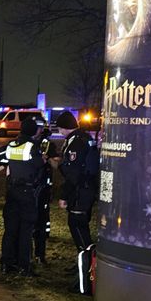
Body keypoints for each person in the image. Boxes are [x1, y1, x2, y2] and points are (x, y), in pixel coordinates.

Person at [0, 118, 45, 276]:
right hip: (27, 192)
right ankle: (24, 266)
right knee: (26, 230)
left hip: (12, 192)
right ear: (34, 131)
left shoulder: (11, 145)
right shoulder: (32, 147)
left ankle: (6, 264)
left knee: (10, 229)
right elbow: (39, 166)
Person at [56, 111, 99, 257]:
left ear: (64, 127)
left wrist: (64, 195)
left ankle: (87, 266)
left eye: (60, 128)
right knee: (82, 226)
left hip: (80, 190)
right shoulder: (85, 137)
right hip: (87, 187)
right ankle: (83, 264)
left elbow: (73, 173)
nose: (59, 131)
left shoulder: (76, 142)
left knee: (77, 226)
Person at [33, 125, 60, 264]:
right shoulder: (33, 146)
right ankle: (39, 254)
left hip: (36, 187)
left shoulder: (44, 145)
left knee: (40, 219)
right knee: (41, 219)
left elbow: (56, 164)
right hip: (38, 187)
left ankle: (37, 254)